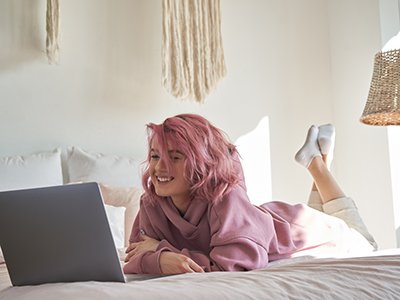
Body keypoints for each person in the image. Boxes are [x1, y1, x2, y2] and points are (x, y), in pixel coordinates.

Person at [122, 113, 377, 275]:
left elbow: (233, 264)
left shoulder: (224, 195)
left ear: (201, 163)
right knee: (326, 211)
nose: (159, 168)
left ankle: (317, 164)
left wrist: (162, 253)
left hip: (301, 231)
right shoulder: (151, 201)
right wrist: (161, 258)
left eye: (174, 157)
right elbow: (134, 256)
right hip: (255, 222)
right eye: (155, 156)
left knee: (366, 241)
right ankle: (318, 158)